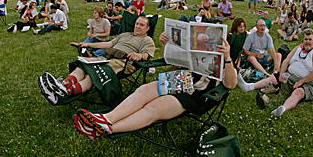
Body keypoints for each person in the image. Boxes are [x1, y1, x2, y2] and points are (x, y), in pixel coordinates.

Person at [71, 31, 237, 140]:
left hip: (197, 95)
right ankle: (106, 119)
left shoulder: (225, 59)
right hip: (180, 80)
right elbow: (172, 66)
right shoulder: (195, 51)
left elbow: (230, 84)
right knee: (143, 90)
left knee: (154, 106)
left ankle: (106, 129)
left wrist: (227, 58)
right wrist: (167, 45)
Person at [39, 16, 155, 104]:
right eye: (137, 24)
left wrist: (140, 56)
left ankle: (66, 93)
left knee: (94, 74)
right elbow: (108, 44)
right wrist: (86, 45)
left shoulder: (147, 40)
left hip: (122, 63)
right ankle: (63, 85)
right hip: (106, 58)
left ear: (147, 28)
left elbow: (147, 54)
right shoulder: (124, 34)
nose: (138, 26)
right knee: (83, 64)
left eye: (142, 25)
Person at [237, 29, 313, 117]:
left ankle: (282, 109)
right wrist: (281, 73)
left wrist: (302, 81)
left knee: (299, 92)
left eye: (310, 39)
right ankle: (249, 86)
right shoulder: (299, 48)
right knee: (273, 78)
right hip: (291, 77)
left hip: (308, 82)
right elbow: (286, 61)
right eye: (306, 39)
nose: (307, 42)